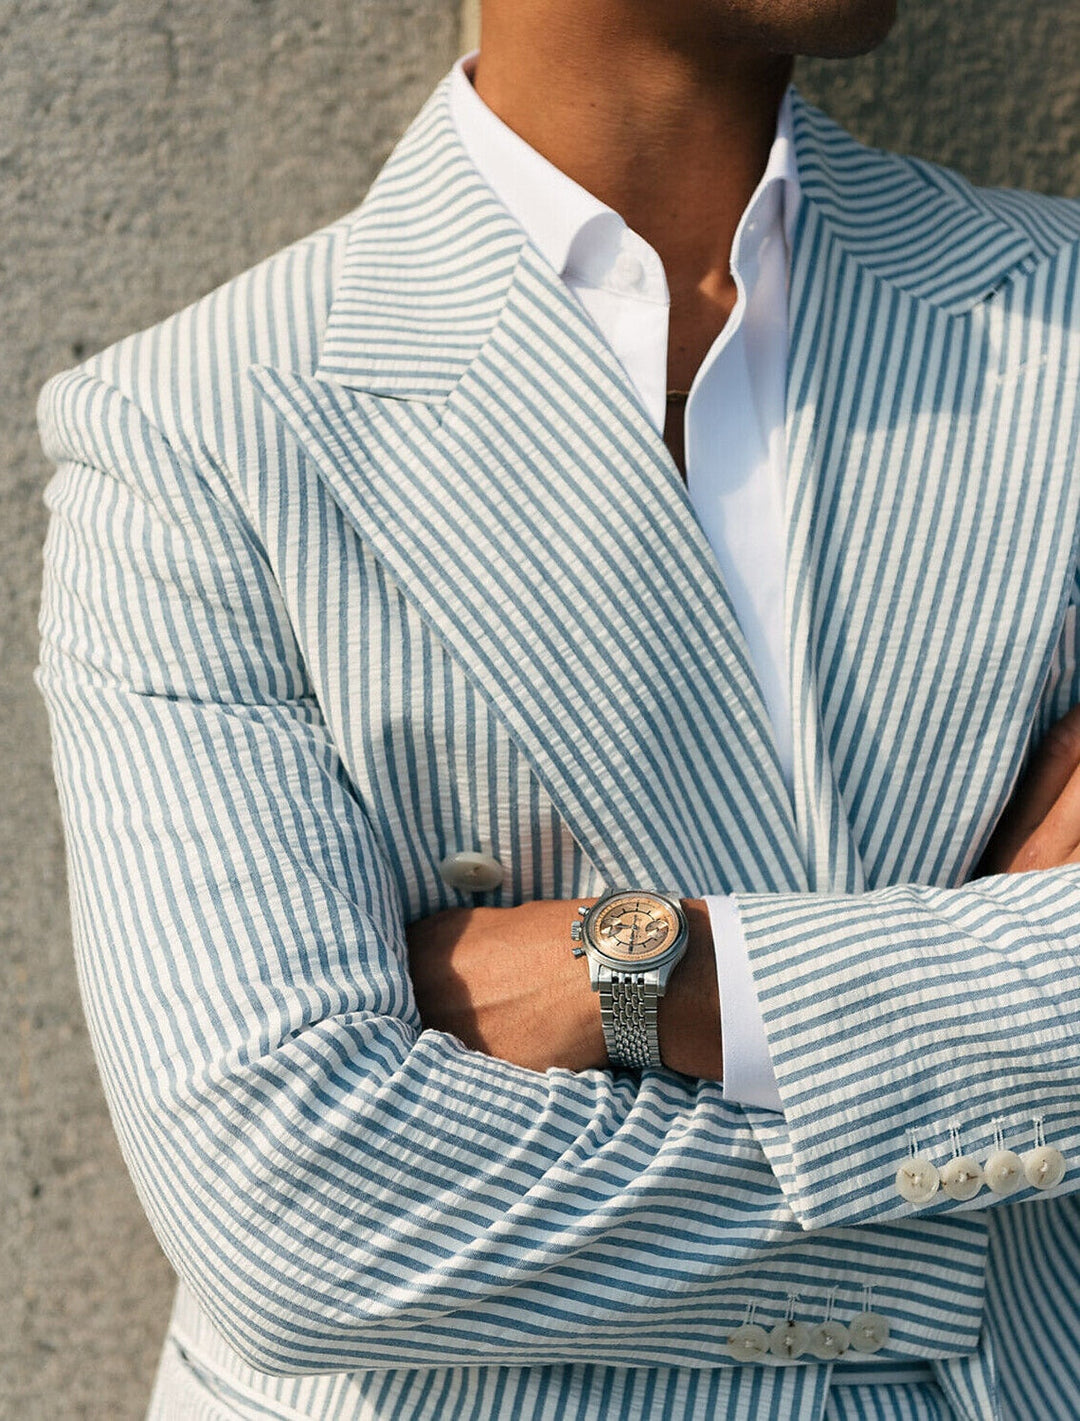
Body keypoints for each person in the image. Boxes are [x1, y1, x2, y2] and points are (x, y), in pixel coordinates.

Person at [33, 0, 1080, 1416]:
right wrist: (968, 1211)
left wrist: (637, 977)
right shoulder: (197, 436)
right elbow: (294, 1209)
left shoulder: (1057, 320)